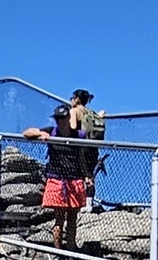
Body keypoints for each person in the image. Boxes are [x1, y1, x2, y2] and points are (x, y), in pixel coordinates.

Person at [22, 89, 100, 250]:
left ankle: (71, 250)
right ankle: (58, 251)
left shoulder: (78, 136)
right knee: (59, 219)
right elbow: (26, 133)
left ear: (68, 118)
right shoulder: (52, 132)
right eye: (57, 119)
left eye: (62, 118)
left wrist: (87, 175)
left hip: (74, 179)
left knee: (72, 219)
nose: (59, 121)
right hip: (57, 179)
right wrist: (40, 134)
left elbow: (81, 157)